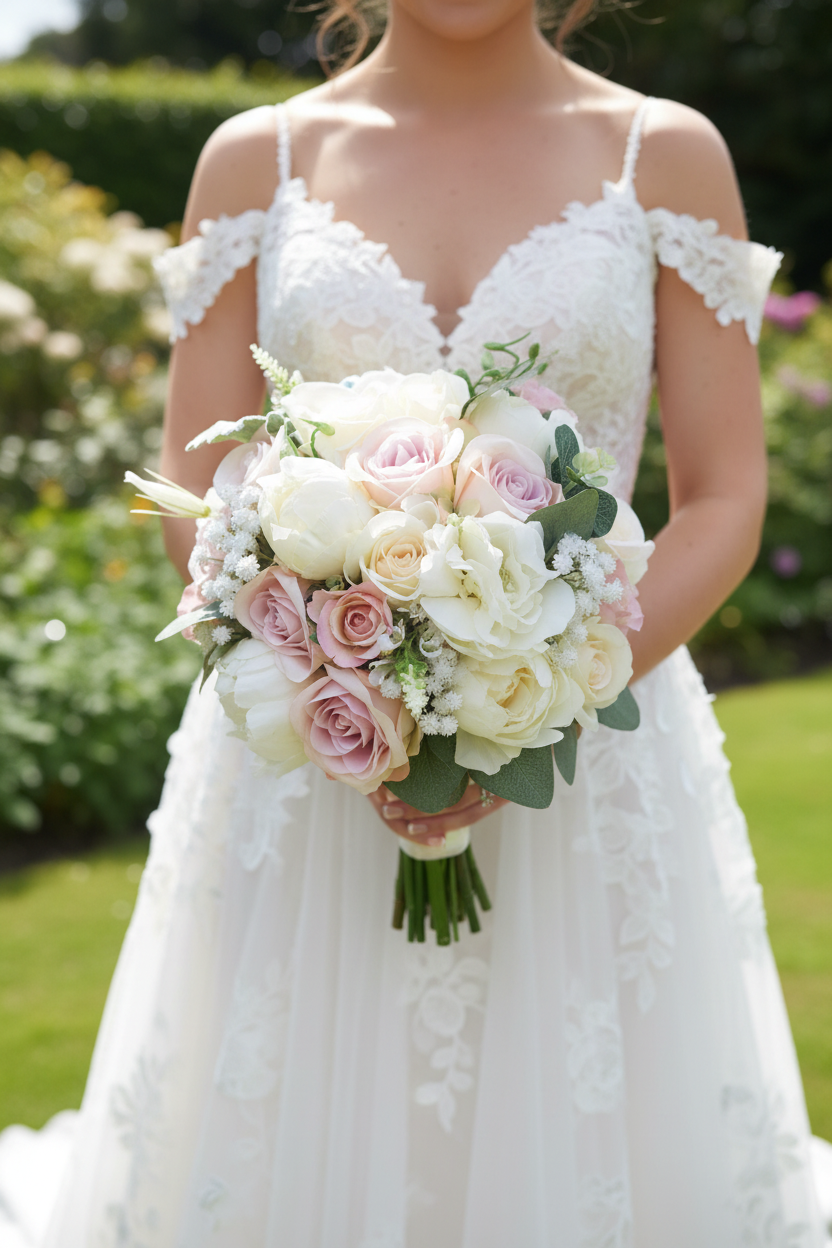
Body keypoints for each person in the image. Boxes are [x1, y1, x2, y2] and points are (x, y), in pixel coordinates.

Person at [1, 1, 830, 1245]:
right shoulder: (258, 160)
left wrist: (544, 690)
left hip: (593, 755)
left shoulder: (663, 155)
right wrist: (348, 676)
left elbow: (721, 495)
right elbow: (192, 480)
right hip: (306, 752)